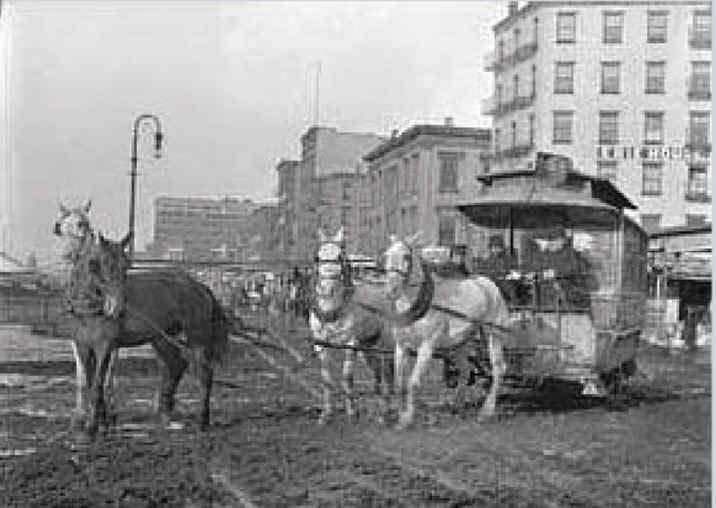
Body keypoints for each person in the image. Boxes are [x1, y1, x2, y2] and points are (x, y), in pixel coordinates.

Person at [481, 235, 518, 302]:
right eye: (493, 247)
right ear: (490, 248)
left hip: (503, 281)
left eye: (497, 247)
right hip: (491, 281)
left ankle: (514, 303)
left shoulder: (507, 259)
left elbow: (510, 270)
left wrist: (504, 274)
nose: (495, 250)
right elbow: (485, 271)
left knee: (510, 289)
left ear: (501, 248)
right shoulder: (488, 260)